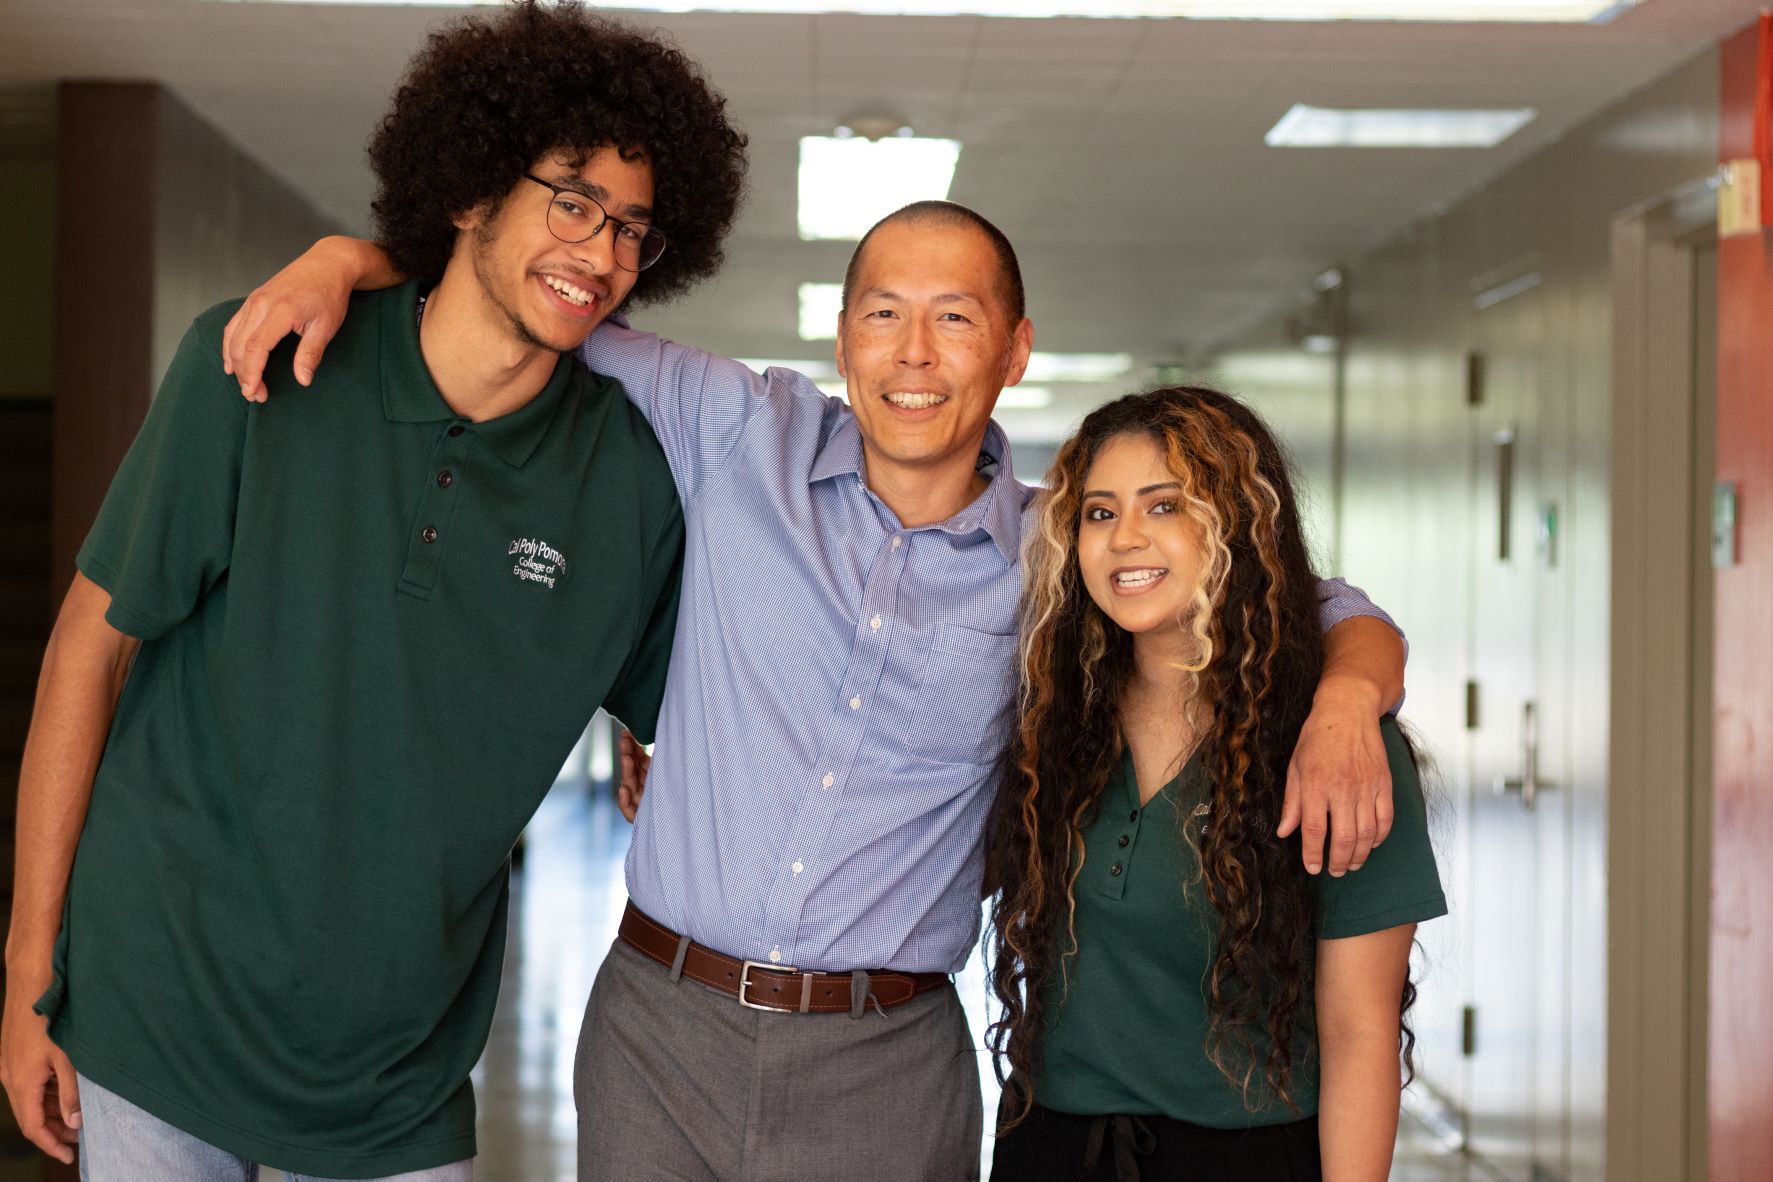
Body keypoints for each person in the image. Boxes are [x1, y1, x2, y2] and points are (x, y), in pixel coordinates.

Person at [222, 201, 1407, 1179]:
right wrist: (344, 259)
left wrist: (1353, 695)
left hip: (883, 1061)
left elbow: (1295, 594)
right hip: (657, 1031)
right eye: (884, 316)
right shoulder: (739, 427)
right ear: (842, 340)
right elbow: (536, 287)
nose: (915, 353)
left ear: (1014, 348)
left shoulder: (1063, 548)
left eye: (955, 320)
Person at [0, 4, 745, 1177]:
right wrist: (28, 974)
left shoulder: (631, 490)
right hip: (154, 1017)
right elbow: (85, 654)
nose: (601, 255)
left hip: (395, 1081)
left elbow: (700, 731)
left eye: (633, 231)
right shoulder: (256, 366)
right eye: (572, 201)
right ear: (467, 191)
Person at [983, 386, 1446, 1181]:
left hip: (1249, 1159)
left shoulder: (1334, 747)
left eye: (1164, 507)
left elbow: (1358, 1031)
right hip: (1050, 1148)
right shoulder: (1051, 722)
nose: (1125, 538)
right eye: (1099, 513)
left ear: (1236, 523)